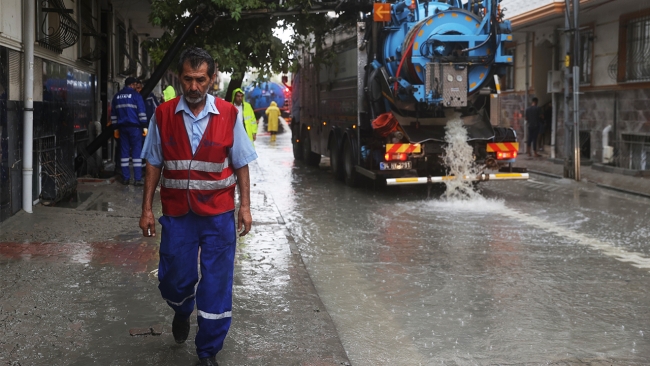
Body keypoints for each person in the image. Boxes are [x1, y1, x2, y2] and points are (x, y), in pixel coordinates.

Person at [139, 47, 257, 366]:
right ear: (180, 78)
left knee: (217, 280)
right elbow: (153, 162)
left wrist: (245, 206)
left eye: (200, 80)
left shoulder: (229, 114)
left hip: (218, 215)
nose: (194, 87)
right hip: (178, 215)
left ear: (212, 79)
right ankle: (181, 308)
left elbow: (242, 163)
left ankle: (207, 351)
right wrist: (147, 209)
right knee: (174, 278)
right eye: (188, 79)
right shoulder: (163, 114)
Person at [111, 77, 147, 185]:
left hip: (122, 128)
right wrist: (144, 125)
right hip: (135, 128)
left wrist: (115, 128)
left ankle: (126, 178)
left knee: (124, 153)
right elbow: (141, 112)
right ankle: (137, 179)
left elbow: (113, 114)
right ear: (131, 85)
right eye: (135, 84)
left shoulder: (117, 96)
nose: (136, 87)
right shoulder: (136, 96)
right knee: (136, 153)